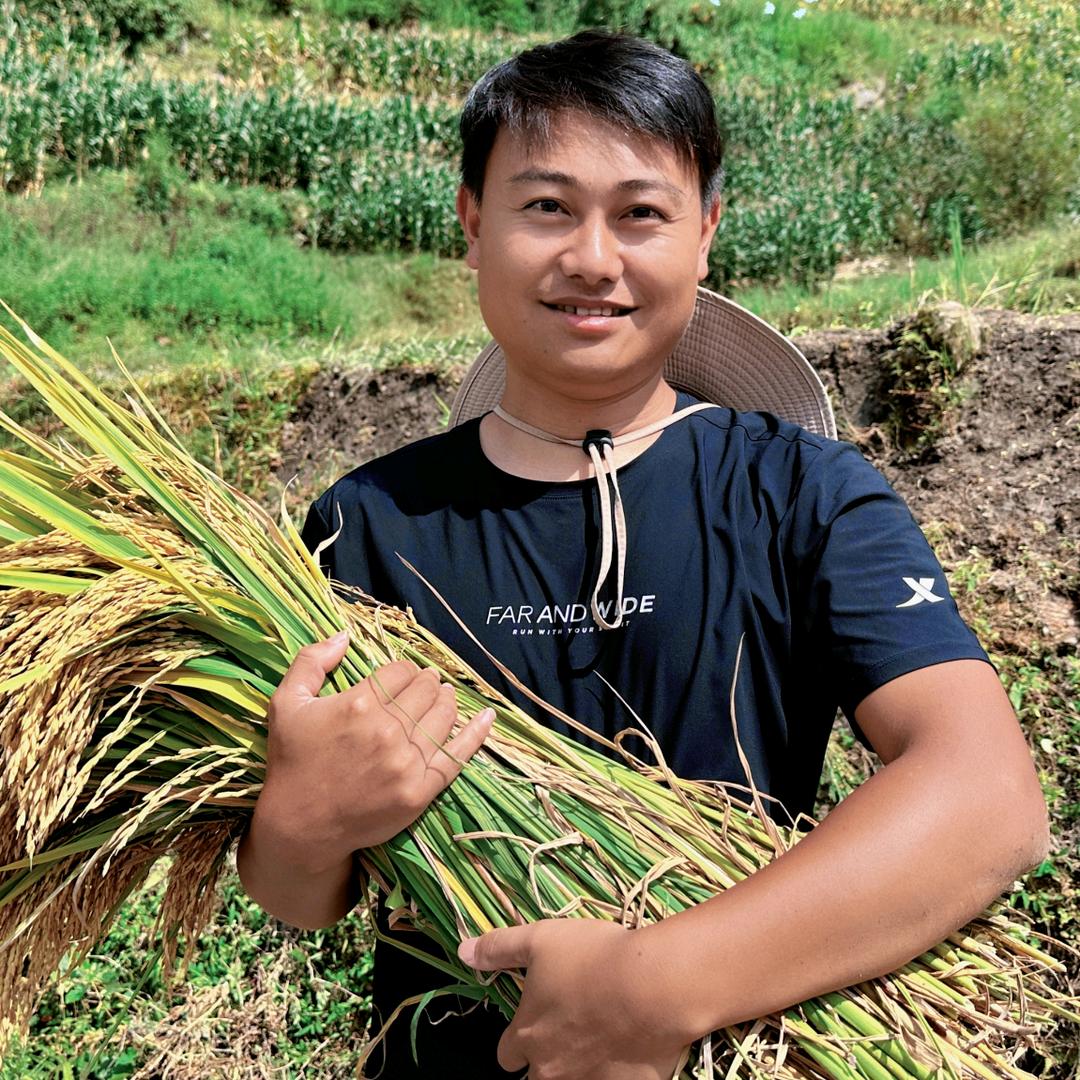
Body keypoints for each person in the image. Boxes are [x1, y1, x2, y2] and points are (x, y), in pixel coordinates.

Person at [237, 30, 1050, 1080]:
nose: (592, 257)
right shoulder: (369, 519)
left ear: (705, 235)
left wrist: (658, 990)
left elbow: (989, 797)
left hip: (725, 1050)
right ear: (472, 225)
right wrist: (298, 830)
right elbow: (307, 897)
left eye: (640, 214)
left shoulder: (802, 492)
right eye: (545, 208)